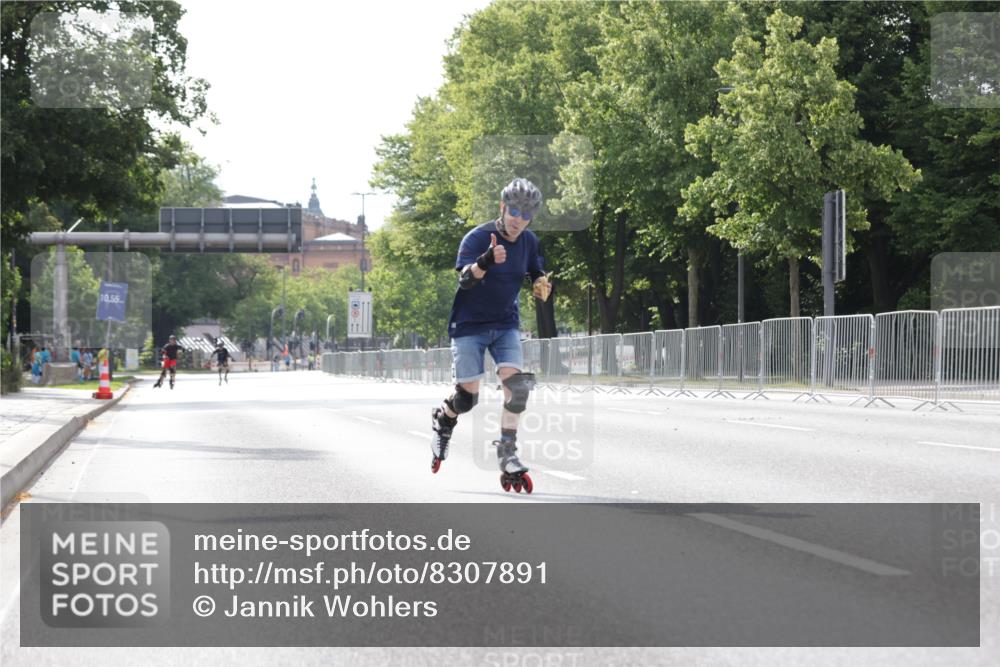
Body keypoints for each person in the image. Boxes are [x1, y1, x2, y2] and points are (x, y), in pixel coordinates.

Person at [429, 178, 552, 493]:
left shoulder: (529, 241)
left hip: (505, 323)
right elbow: (466, 281)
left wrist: (541, 283)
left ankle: (507, 452)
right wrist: (486, 260)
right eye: (513, 212)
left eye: (526, 216)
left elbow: (536, 270)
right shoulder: (477, 238)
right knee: (467, 398)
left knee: (518, 388)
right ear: (502, 207)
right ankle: (444, 419)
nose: (518, 220)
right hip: (469, 325)